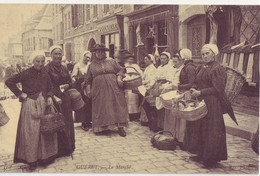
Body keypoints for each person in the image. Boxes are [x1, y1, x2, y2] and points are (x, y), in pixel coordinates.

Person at [5, 51, 57, 170]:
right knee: (32, 132)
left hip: (44, 105)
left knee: (44, 131)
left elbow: (50, 87)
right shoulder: (25, 73)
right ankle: (32, 159)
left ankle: (44, 157)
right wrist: (20, 93)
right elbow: (9, 82)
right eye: (37, 61)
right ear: (32, 61)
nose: (40, 63)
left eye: (42, 61)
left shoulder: (45, 73)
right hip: (30, 105)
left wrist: (49, 96)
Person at [190, 44, 237, 167]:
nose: (205, 56)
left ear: (214, 54)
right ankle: (201, 154)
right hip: (202, 102)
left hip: (213, 103)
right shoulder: (202, 67)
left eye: (207, 53)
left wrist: (200, 92)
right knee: (201, 128)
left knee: (212, 130)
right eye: (203, 54)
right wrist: (193, 89)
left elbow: (218, 89)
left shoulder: (217, 69)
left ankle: (211, 158)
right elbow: (196, 81)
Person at [85, 44, 128, 137]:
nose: (100, 53)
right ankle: (102, 127)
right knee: (101, 107)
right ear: (95, 53)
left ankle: (120, 127)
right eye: (97, 52)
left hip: (113, 87)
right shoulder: (92, 64)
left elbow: (121, 70)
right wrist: (88, 90)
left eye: (101, 51)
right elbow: (88, 79)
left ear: (105, 52)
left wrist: (119, 78)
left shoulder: (112, 61)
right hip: (98, 90)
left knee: (117, 105)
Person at [44, 45, 75, 157]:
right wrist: (52, 96)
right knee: (56, 122)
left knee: (66, 121)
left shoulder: (64, 67)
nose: (57, 56)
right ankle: (56, 150)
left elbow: (71, 82)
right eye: (55, 54)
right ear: (51, 55)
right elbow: (46, 86)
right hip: (53, 98)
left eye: (59, 54)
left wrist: (68, 85)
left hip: (65, 97)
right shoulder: (47, 68)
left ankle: (68, 148)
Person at [163, 51, 188, 150]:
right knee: (170, 116)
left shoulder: (182, 70)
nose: (175, 63)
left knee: (178, 118)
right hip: (171, 93)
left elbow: (179, 83)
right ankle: (171, 135)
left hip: (179, 93)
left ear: (181, 61)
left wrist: (174, 86)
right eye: (173, 62)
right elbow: (170, 80)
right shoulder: (173, 69)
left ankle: (178, 137)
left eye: (176, 61)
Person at [71, 51, 92, 131]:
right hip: (80, 85)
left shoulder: (90, 65)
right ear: (83, 56)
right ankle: (83, 122)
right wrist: (75, 80)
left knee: (89, 103)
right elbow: (73, 76)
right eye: (86, 57)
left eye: (89, 58)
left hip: (88, 85)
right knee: (82, 104)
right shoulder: (78, 65)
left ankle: (88, 120)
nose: (87, 59)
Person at [123, 51, 143, 122]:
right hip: (128, 84)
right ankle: (129, 115)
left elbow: (140, 73)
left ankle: (135, 115)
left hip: (135, 82)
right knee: (128, 99)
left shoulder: (136, 66)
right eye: (129, 59)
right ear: (127, 60)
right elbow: (124, 73)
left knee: (135, 99)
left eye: (132, 59)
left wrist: (135, 73)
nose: (131, 60)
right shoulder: (125, 65)